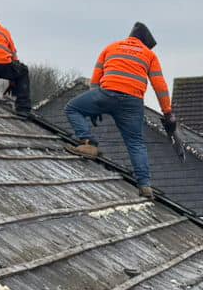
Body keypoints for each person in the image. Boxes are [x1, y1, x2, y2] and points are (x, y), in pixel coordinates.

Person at [65, 22, 174, 186]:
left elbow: (95, 81)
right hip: (132, 102)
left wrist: (95, 108)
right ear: (145, 42)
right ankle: (145, 185)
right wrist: (167, 113)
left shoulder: (111, 48)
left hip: (106, 94)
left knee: (72, 108)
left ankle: (88, 143)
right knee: (135, 143)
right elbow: (160, 86)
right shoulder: (149, 55)